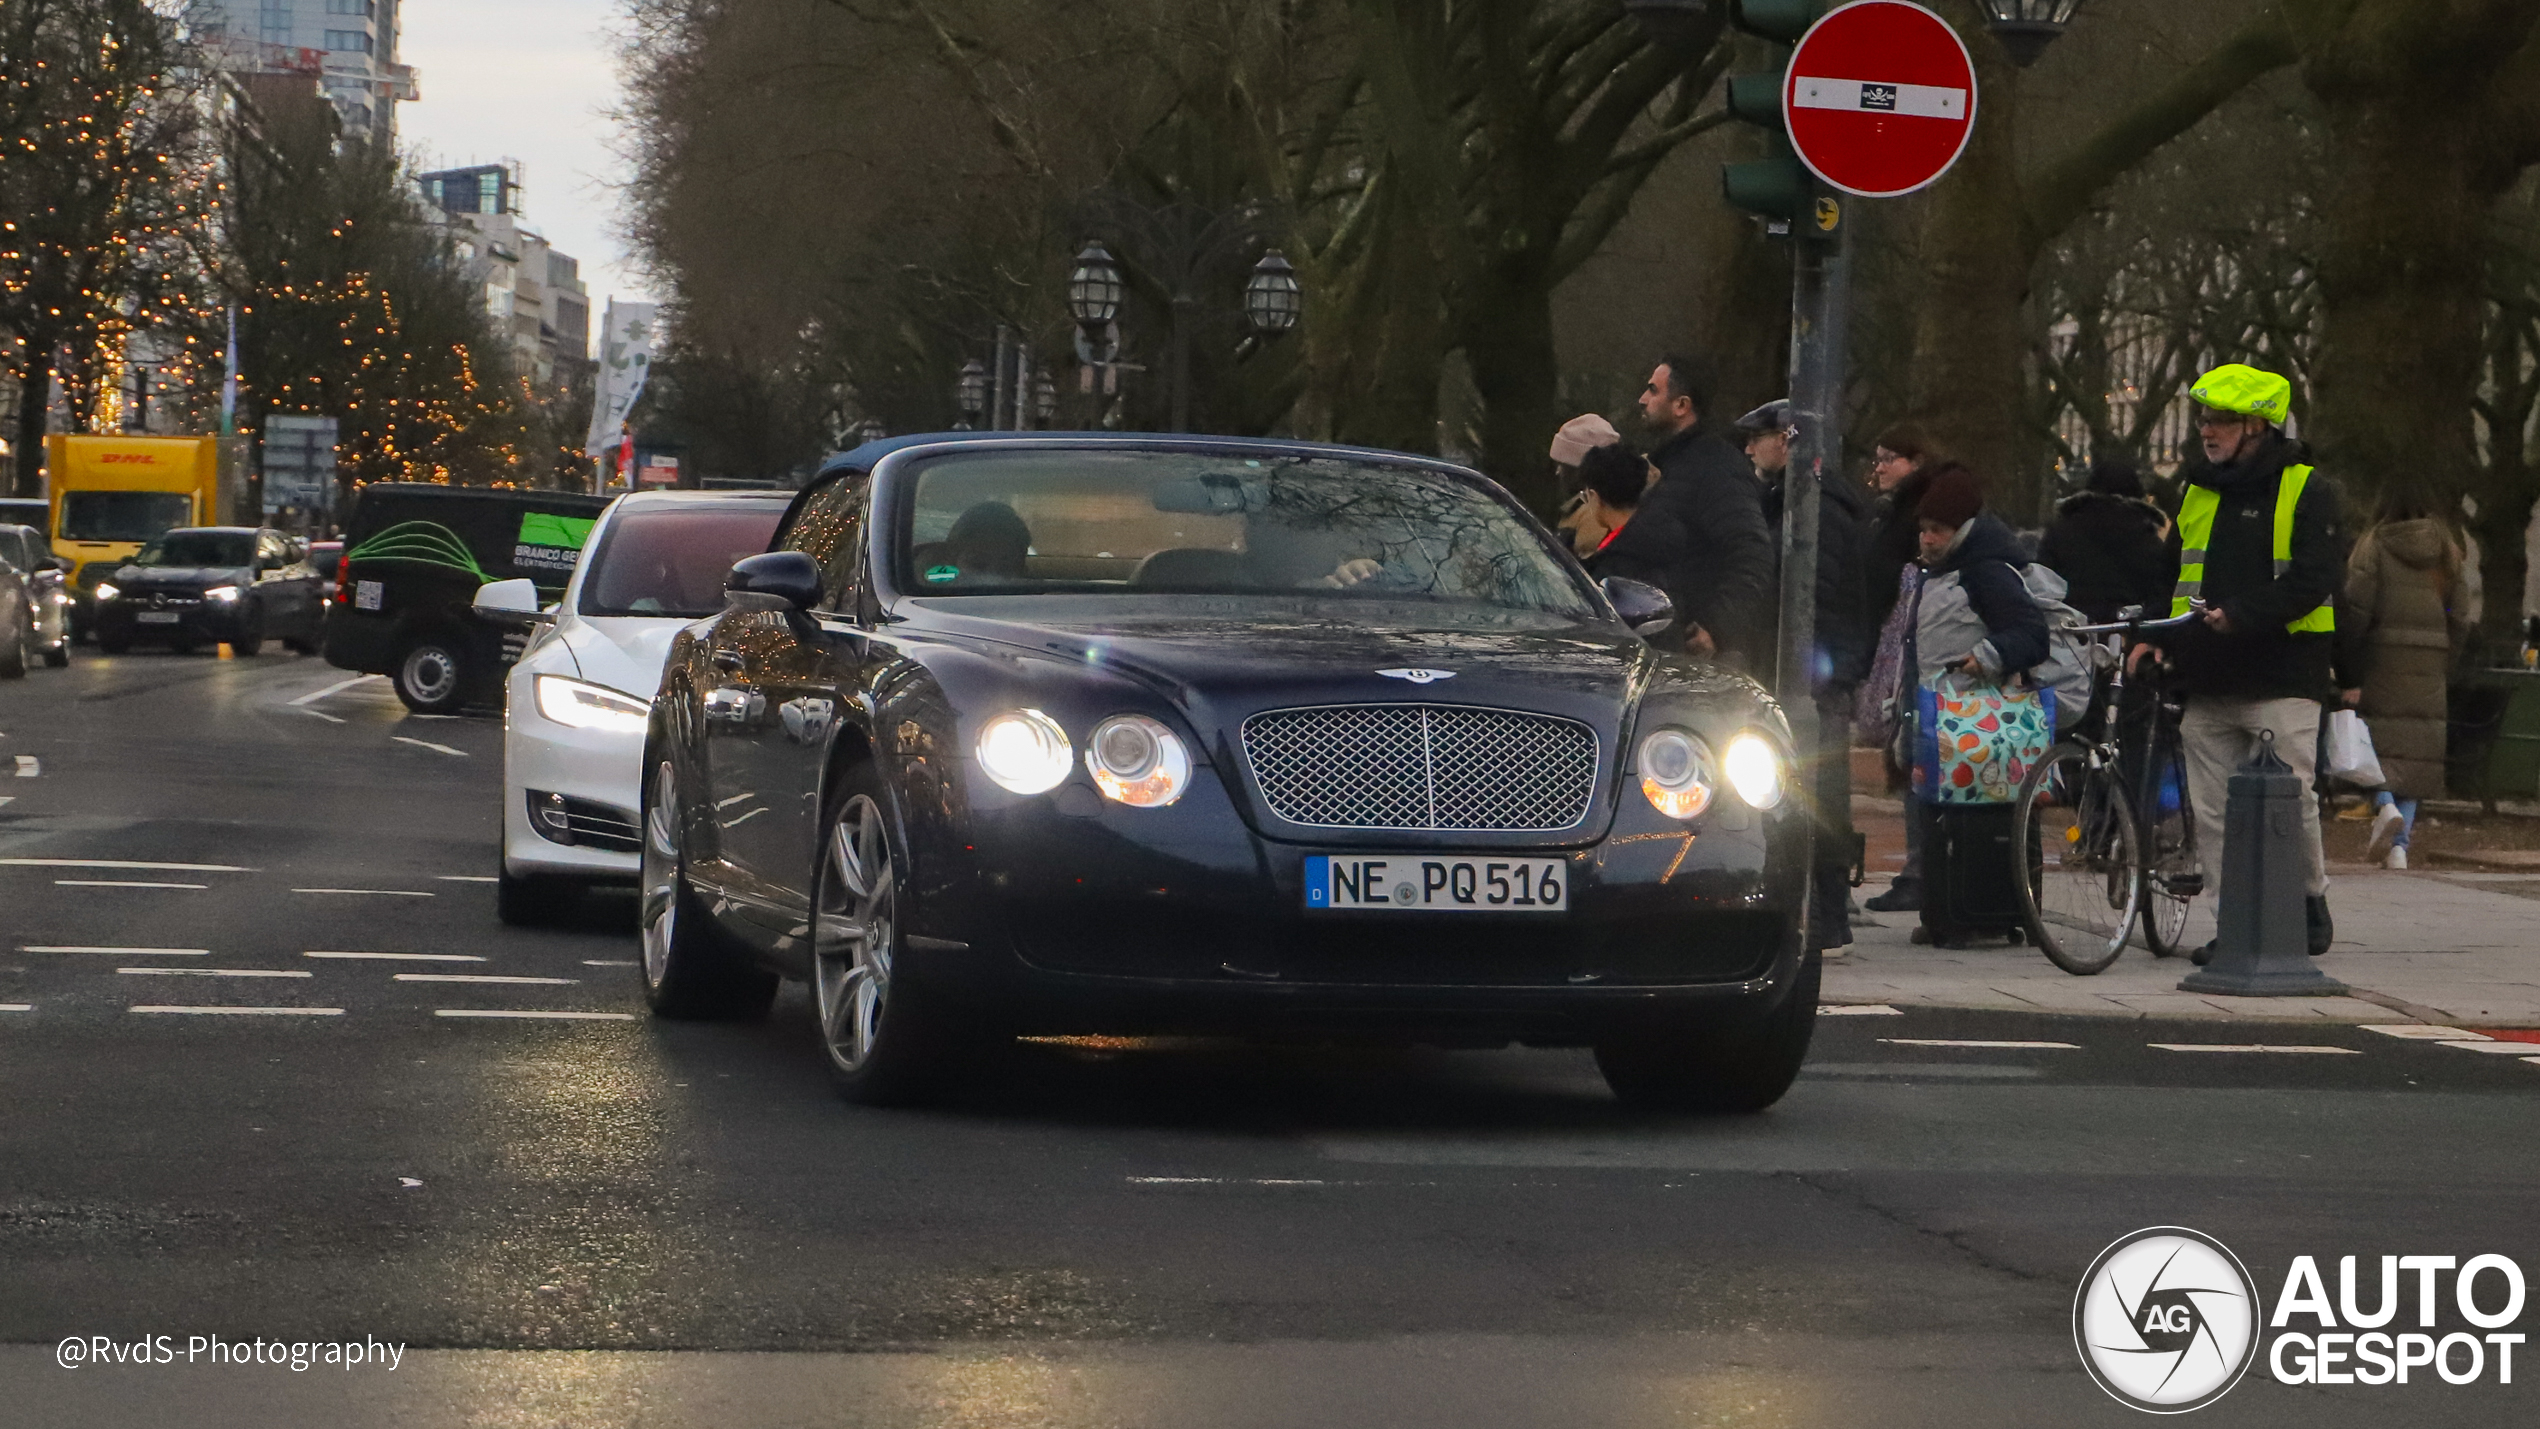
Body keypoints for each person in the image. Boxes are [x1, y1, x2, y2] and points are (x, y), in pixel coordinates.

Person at [2151, 363, 2345, 962]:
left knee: (2292, 799)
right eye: (2204, 419)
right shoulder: (2198, 489)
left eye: (2222, 420)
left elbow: (2315, 579)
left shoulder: (2307, 489)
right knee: (2213, 814)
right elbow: (2172, 573)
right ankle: (2235, 922)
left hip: (2283, 673)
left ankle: (2307, 904)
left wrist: (2241, 615)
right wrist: (2152, 634)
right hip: (2208, 677)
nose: (2208, 431)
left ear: (2258, 427)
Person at [1738, 397, 1871, 953]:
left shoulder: (1816, 509)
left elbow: (1816, 593)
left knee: (1818, 790)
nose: (1749, 448)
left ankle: (1827, 913)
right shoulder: (1793, 501)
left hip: (1814, 671)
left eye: (1759, 437)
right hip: (1810, 665)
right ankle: (1816, 908)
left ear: (1789, 440)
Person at [1902, 464, 2049, 941]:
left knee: (1966, 819)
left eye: (1937, 530)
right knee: (1943, 819)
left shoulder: (1984, 573)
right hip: (1944, 723)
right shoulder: (1942, 573)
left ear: (1963, 529)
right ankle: (1951, 913)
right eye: (1923, 529)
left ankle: (1969, 913)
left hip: (1975, 725)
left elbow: (2031, 635)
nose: (1926, 538)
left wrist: (1984, 656)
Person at [2341, 490, 2476, 870]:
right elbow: (2461, 615)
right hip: (2431, 660)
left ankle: (2383, 805)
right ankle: (2399, 846)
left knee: (2376, 745)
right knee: (2417, 753)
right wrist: (2446, 654)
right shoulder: (2447, 552)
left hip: (2381, 658)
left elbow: (2356, 608)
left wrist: (2350, 660)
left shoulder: (2373, 547)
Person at [1634, 354, 1775, 667]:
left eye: (1653, 390)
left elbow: (1751, 551)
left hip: (1699, 654)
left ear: (1682, 405)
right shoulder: (1668, 465)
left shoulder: (1715, 467)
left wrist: (1716, 628)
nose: (1642, 400)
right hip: (1667, 646)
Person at [1858, 421, 1938, 913]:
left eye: (1891, 458)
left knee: (1913, 753)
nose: (1881, 468)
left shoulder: (1915, 514)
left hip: (1911, 646)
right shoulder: (1897, 512)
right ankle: (1919, 868)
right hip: (1897, 640)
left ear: (1916, 462)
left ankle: (1920, 870)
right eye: (1878, 457)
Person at [2036, 456, 2173, 624]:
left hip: (2073, 627)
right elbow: (2161, 589)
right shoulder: (2146, 534)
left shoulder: (2061, 530)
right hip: (2126, 627)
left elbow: (2042, 581)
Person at [1550, 413, 1625, 557]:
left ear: (1583, 470)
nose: (1557, 472)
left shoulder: (1594, 516)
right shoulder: (1581, 508)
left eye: (1564, 465)